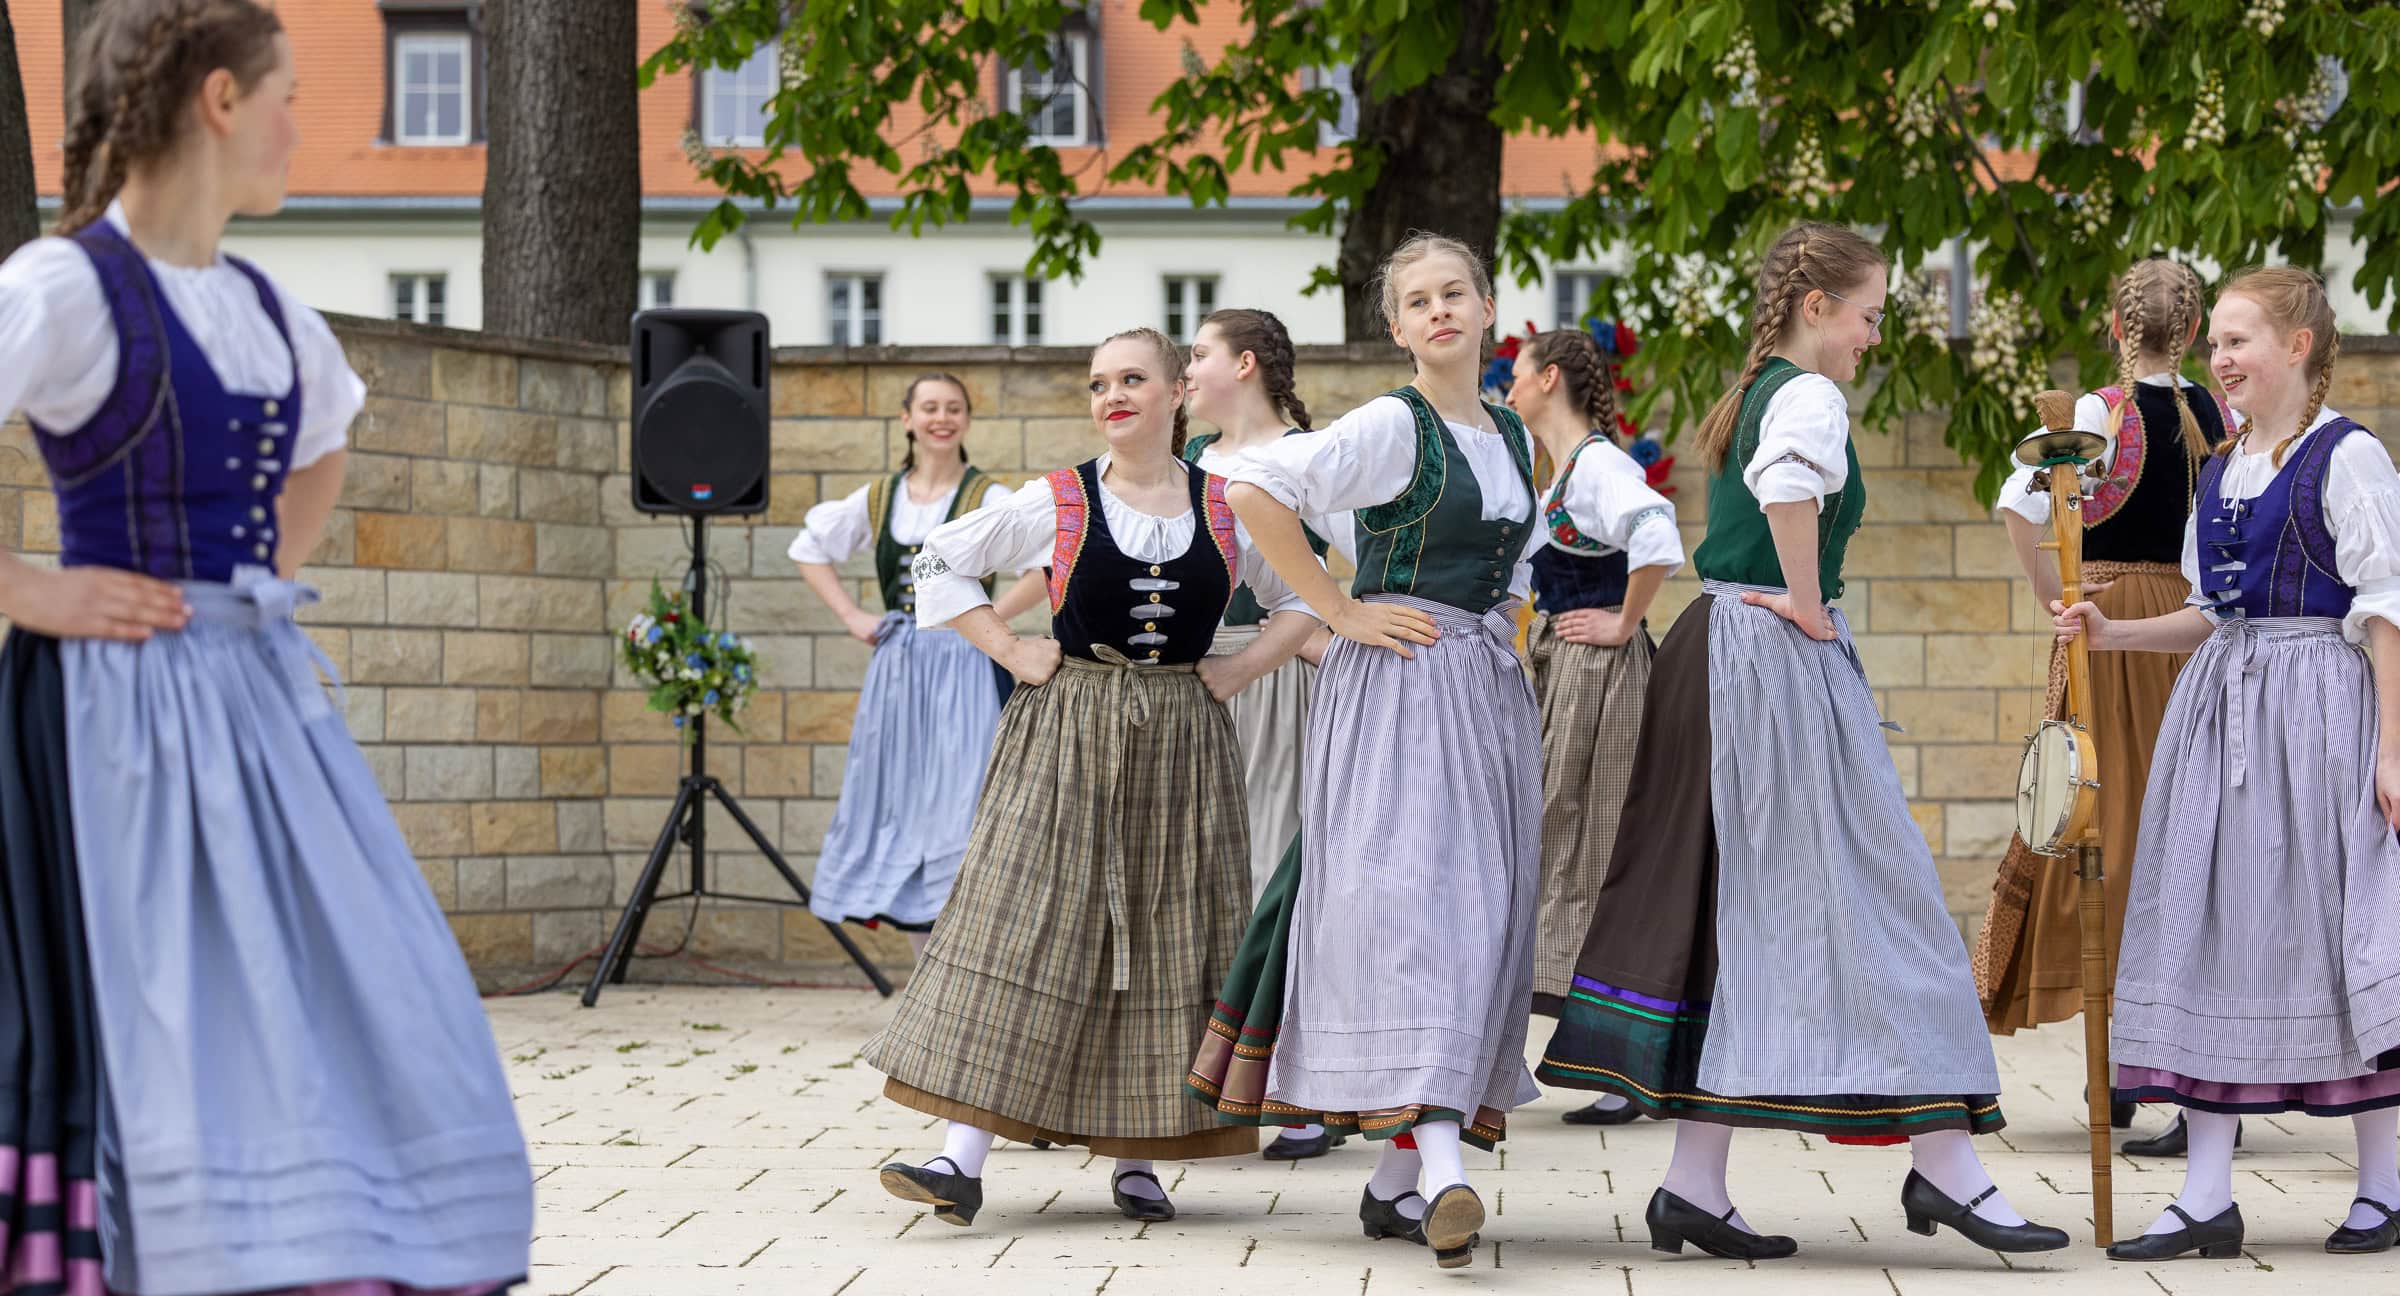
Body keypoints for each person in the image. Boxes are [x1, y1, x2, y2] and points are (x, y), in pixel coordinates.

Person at [0, 3, 531, 1291]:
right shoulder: (63, 287)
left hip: (257, 702)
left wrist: (260, 584)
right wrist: (29, 591)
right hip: (110, 718)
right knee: (156, 1001)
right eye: (289, 95)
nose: (304, 125)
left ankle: (319, 1235)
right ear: (221, 99)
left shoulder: (269, 310)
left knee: (357, 982)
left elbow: (322, 439)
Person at [1534, 222, 2067, 1260]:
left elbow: (1776, 492)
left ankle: (1696, 1185)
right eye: (1869, 314)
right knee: (1886, 904)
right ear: (1817, 305)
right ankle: (1945, 1166)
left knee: (1740, 919)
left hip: (1722, 654)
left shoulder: (1759, 389)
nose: (1874, 334)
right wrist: (1813, 606)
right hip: (1765, 665)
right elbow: (1787, 492)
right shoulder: (1809, 395)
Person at [864, 328, 1318, 1228]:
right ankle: (960, 1160)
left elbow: (1305, 595)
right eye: (1099, 383)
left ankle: (1139, 1159)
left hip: (1184, 734)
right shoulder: (1059, 497)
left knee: (1168, 932)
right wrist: (1008, 647)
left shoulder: (1229, 503)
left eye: (1132, 379)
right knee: (1020, 919)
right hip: (1068, 726)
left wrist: (1238, 669)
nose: (1113, 395)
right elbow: (938, 559)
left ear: (1176, 392)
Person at [1206, 233, 1544, 1271]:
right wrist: (1339, 609)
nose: (1440, 311)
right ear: (1396, 328)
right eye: (1419, 301)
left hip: (1480, 691)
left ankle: (1395, 1184)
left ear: (1487, 309)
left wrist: (1509, 638)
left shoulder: (1510, 433)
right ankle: (1442, 1170)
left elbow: (1514, 568)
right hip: (1397, 686)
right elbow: (1251, 488)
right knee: (1411, 913)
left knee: (1478, 916)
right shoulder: (1392, 425)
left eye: (1455, 293)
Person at [2054, 267, 2400, 1261]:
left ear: (2299, 346)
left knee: (2338, 936)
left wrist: (2392, 749)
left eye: (2239, 341)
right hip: (2219, 715)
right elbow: (2211, 613)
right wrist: (2112, 634)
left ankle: (2383, 1187)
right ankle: (2206, 1196)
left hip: (2322, 710)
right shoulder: (2219, 469)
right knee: (2203, 929)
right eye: (2217, 345)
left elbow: (2387, 607)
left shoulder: (2348, 457)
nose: (2221, 359)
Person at [1180, 306, 1353, 1163]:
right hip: (1185, 681)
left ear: (1245, 364)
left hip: (1276, 677)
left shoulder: (1310, 459)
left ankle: (1296, 1089)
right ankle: (1188, 1079)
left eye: (1198, 354)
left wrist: (1328, 632)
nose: (1185, 370)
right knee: (1187, 874)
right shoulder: (1186, 461)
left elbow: (1360, 567)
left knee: (1271, 874)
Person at [787, 372, 1043, 950]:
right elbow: (809, 548)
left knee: (963, 797)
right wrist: (852, 616)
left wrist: (984, 617)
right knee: (899, 800)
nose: (941, 418)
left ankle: (966, 963)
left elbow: (1046, 564)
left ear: (967, 420)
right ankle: (921, 970)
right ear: (907, 419)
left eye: (953, 408)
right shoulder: (880, 498)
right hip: (901, 670)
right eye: (930, 408)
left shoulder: (988, 498)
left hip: (967, 666)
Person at [1505, 328, 1681, 1131]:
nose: (1508, 387)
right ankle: (1589, 1050)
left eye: (1517, 374)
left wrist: (1622, 621)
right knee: (1558, 837)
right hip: (1566, 670)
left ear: (1550, 379)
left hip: (1601, 677)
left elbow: (1658, 536)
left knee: (1600, 841)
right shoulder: (1563, 471)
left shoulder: (1600, 466)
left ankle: (1624, 1062)